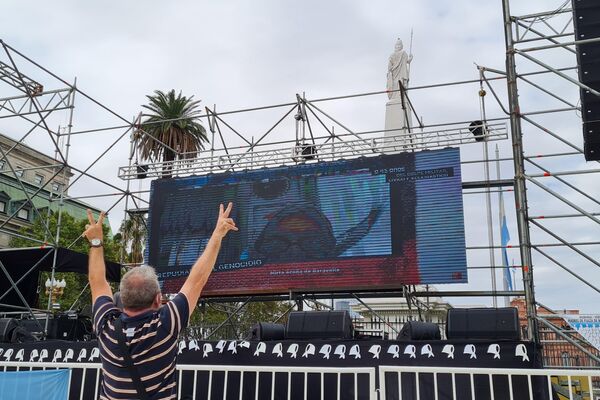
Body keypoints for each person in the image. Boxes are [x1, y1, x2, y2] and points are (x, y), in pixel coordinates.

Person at [85, 203, 237, 400]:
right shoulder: (165, 325)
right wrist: (217, 234)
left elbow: (96, 282)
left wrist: (96, 242)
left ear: (121, 299)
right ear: (158, 299)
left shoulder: (106, 326)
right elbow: (197, 279)